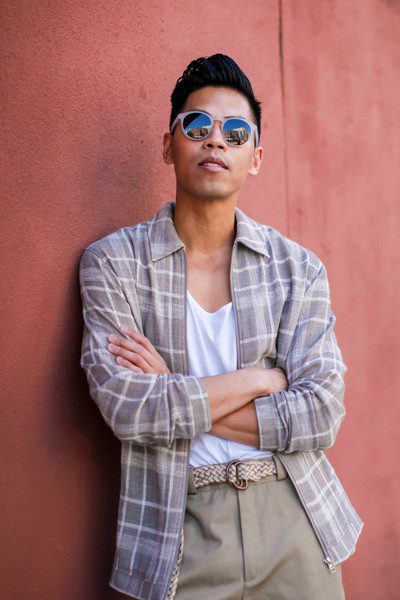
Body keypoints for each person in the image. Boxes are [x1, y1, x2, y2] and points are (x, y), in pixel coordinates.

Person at [79, 53, 363, 600]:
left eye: (235, 133)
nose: (215, 140)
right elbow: (127, 407)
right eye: (196, 126)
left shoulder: (296, 269)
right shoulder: (113, 264)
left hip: (295, 519)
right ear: (169, 145)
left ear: (255, 158)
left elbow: (322, 412)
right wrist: (263, 379)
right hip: (178, 531)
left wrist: (173, 389)